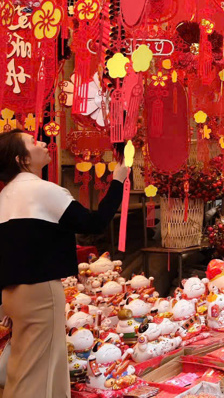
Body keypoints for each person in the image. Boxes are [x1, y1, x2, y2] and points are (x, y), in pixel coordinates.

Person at [0, 130, 130, 398]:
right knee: (38, 372)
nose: (44, 143)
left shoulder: (5, 196)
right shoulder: (44, 190)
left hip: (12, 294)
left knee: (28, 365)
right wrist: (118, 181)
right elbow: (94, 224)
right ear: (21, 158)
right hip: (40, 292)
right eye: (33, 142)